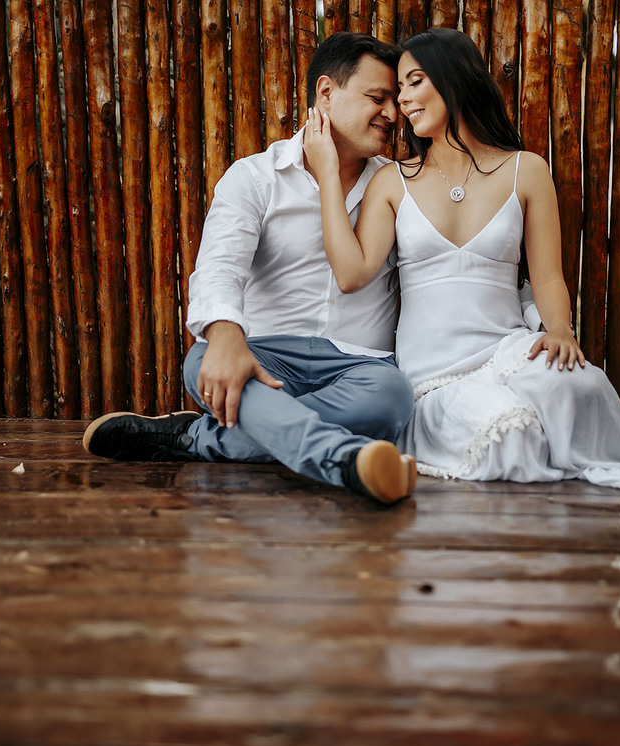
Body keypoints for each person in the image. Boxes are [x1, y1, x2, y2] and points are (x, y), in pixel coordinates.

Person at [303, 27, 620, 492]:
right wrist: (326, 175)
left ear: (453, 79)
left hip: (508, 350)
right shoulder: (394, 181)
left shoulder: (527, 169)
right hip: (435, 375)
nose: (402, 102)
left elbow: (547, 276)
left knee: (578, 387)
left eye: (413, 82)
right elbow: (352, 273)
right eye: (399, 89)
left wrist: (559, 331)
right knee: (511, 432)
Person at [82, 32, 418, 504]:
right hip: (266, 360)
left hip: (359, 366)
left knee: (392, 397)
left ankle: (198, 439)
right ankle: (343, 458)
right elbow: (220, 266)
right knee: (202, 358)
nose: (391, 113)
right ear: (326, 92)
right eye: (377, 98)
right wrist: (223, 335)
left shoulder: (397, 186)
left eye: (395, 103)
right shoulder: (256, 176)